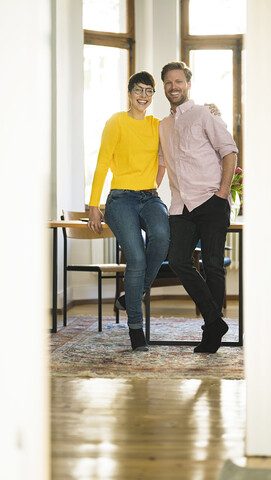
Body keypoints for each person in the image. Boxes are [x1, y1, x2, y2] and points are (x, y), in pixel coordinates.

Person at [157, 61, 238, 354]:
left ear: (188, 85)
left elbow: (229, 151)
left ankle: (211, 333)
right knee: (178, 260)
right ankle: (216, 321)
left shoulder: (204, 113)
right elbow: (161, 164)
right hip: (181, 205)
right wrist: (152, 190)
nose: (174, 87)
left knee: (213, 265)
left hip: (211, 200)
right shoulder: (162, 126)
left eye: (178, 81)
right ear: (163, 88)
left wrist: (222, 193)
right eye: (168, 82)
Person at [87, 71, 170, 352]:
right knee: (135, 256)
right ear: (129, 91)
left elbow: (170, 152)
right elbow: (101, 164)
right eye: (139, 90)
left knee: (161, 236)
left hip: (149, 197)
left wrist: (211, 112)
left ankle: (131, 296)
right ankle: (136, 329)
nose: (144, 96)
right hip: (120, 198)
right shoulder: (117, 121)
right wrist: (93, 206)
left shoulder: (157, 125)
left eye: (149, 91)